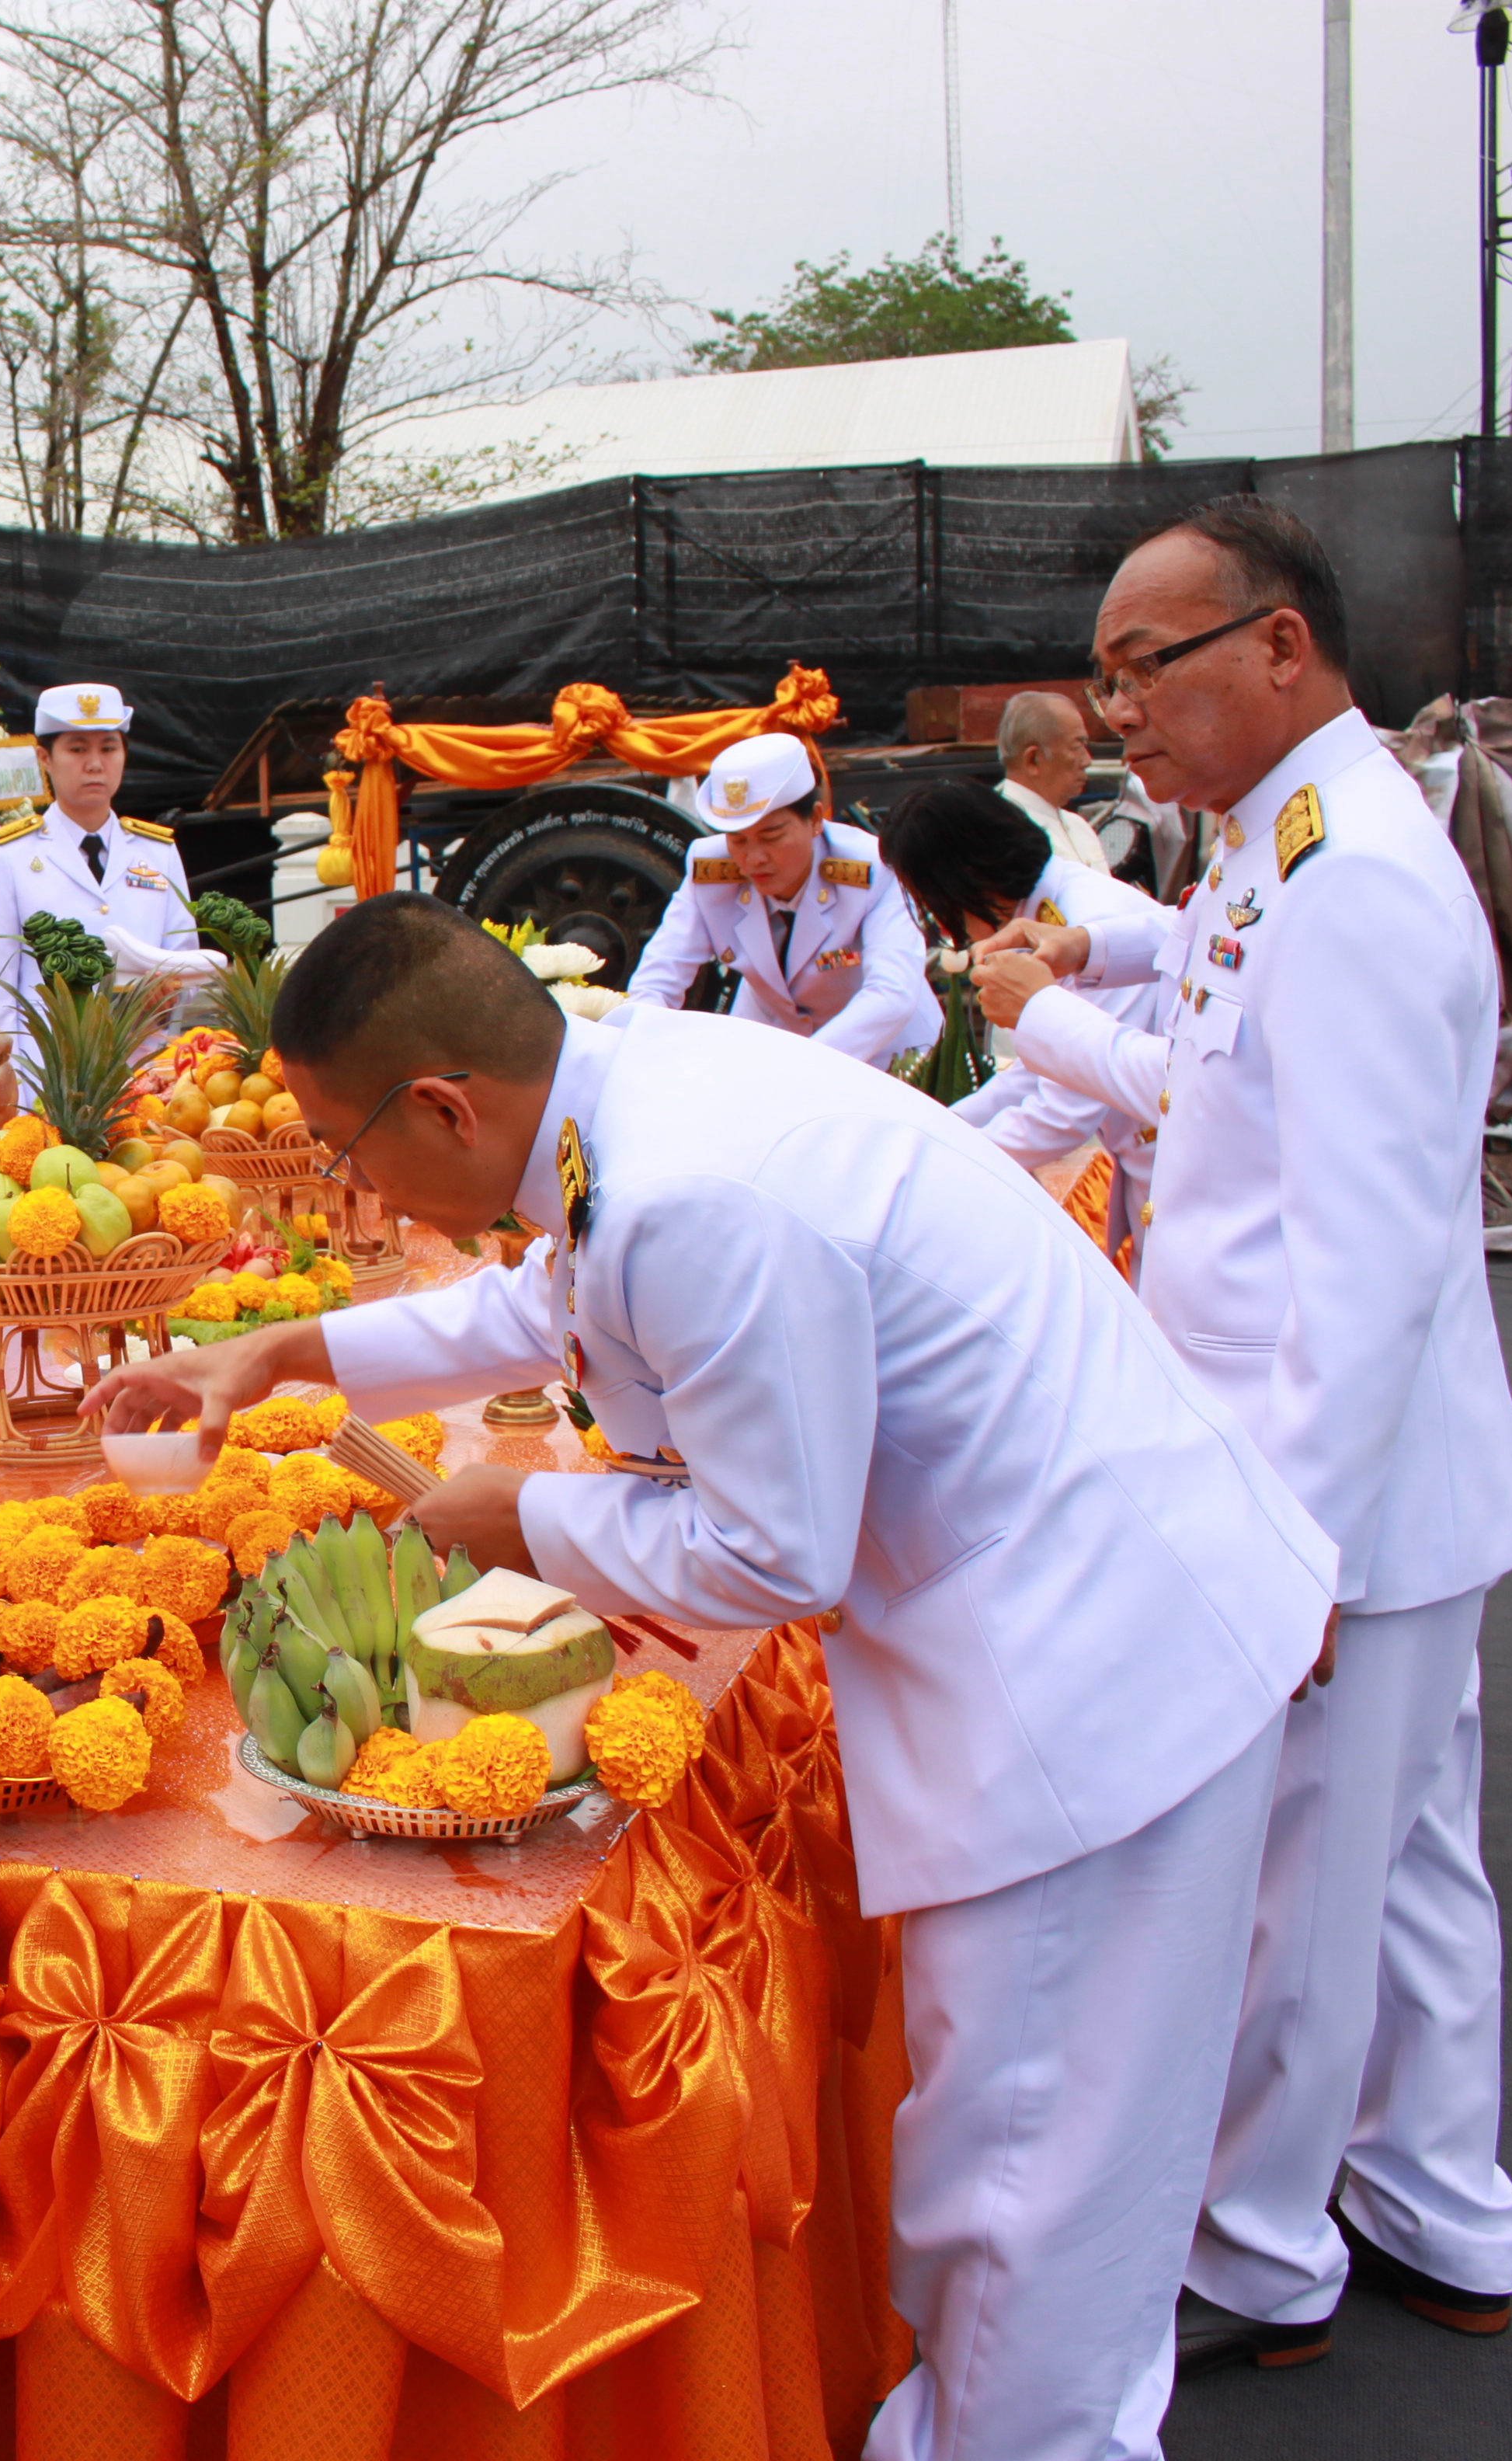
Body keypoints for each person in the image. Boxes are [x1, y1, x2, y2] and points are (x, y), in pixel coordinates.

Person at [89, 895, 1337, 2461]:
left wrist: (520, 1516)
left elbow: (771, 1556)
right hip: (1082, 1621)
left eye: (345, 1153)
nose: (353, 1185)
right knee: (1009, 2157)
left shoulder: (689, 1191)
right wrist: (285, 1354)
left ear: (446, 1108)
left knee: (1034, 2174)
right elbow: (562, 1300)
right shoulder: (628, 1094)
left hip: (1090, 1675)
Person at [973, 495, 1512, 2374]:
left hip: (1338, 1493)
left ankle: (1258, 2249)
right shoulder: (1275, 846)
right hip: (1358, 1488)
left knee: (1300, 1887)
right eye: (1105, 674)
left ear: (1276, 648)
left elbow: (1363, 1272)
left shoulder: (1352, 874)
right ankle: (1435, 2202)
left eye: (1146, 664)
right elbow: (1206, 1060)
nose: (1114, 705)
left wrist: (1283, 1546)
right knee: (1401, 1866)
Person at [875, 776, 1169, 1255]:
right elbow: (1038, 1074)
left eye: (935, 904)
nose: (942, 924)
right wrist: (934, 1131)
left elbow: (1064, 1111)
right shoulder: (1049, 912)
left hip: (1188, 1179)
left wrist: (936, 1169)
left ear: (966, 877)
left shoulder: (1093, 920)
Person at [620, 732, 935, 1065]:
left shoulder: (873, 869)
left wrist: (798, 1067)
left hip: (889, 1058)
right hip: (772, 1045)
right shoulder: (710, 871)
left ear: (815, 820)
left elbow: (891, 996)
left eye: (771, 836)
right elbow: (659, 978)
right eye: (738, 840)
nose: (754, 858)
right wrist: (631, 1048)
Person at [0, 682, 214, 1080]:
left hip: (146, 1069)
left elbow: (186, 964)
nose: (95, 764)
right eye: (78, 749)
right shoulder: (9, 855)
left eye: (109, 748)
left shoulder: (158, 852)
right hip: (48, 1077)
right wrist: (13, 1087)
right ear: (45, 757)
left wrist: (170, 994)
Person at [995, 686, 1114, 876]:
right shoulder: (1002, 835)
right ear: (1033, 759)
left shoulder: (1078, 826)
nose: (1087, 760)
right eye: (1076, 746)